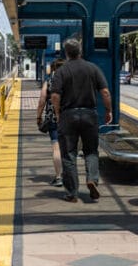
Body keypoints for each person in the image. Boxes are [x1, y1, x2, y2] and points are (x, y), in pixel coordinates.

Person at [48, 38, 113, 203]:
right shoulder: (93, 68)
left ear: (66, 53)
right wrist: (108, 110)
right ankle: (92, 179)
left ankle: (72, 193)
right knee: (91, 150)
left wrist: (57, 113)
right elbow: (105, 92)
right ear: (80, 52)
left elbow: (55, 95)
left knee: (69, 155)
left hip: (68, 115)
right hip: (89, 114)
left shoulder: (61, 71)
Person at [36, 60, 65, 185]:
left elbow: (42, 100)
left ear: (52, 69)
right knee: (69, 148)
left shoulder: (49, 81)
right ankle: (69, 176)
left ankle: (58, 177)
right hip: (70, 118)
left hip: (53, 118)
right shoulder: (70, 80)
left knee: (56, 147)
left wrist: (38, 117)